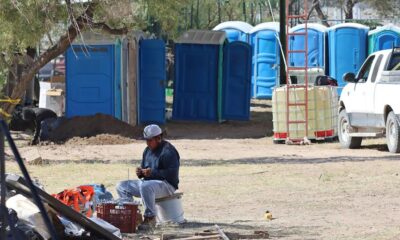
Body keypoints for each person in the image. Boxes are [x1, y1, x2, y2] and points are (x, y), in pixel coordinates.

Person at [116, 124, 180, 230]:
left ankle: (150, 218)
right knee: (121, 186)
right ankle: (133, 214)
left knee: (146, 186)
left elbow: (171, 174)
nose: (147, 143)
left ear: (158, 138)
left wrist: (152, 173)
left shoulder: (169, 151)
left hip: (167, 185)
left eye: (150, 140)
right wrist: (140, 172)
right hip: (149, 183)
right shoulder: (147, 150)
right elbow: (145, 170)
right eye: (146, 140)